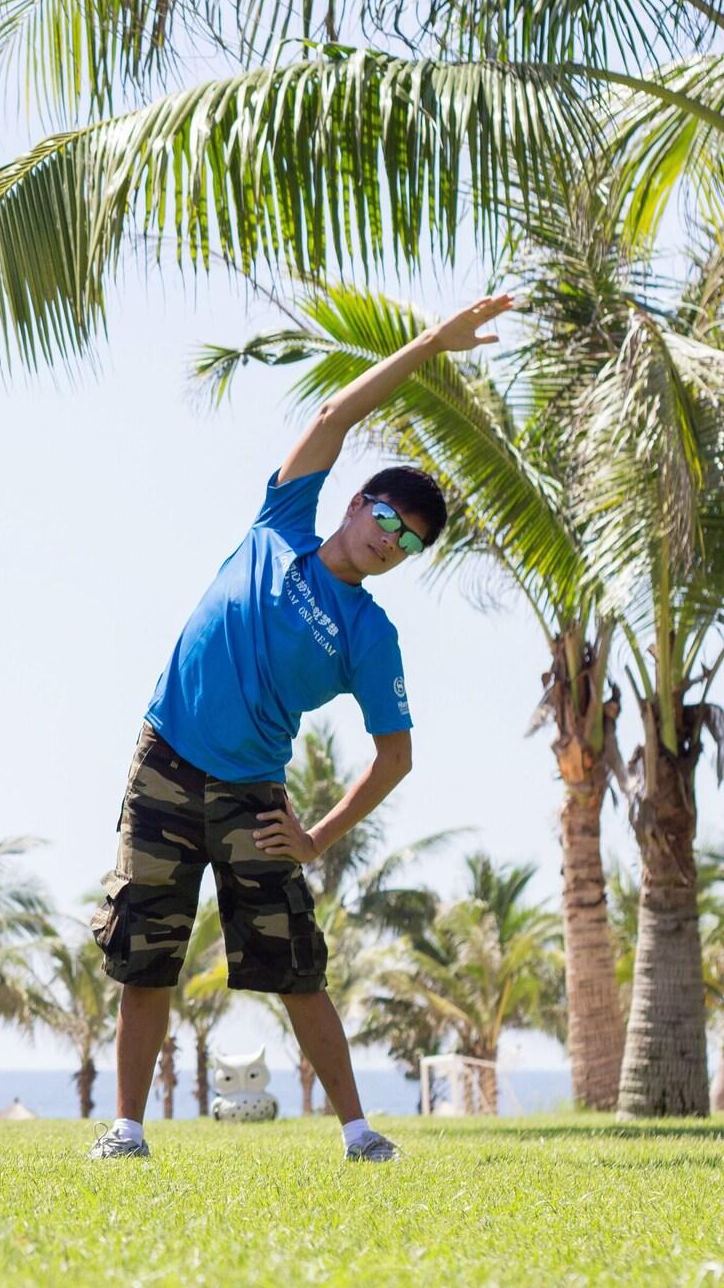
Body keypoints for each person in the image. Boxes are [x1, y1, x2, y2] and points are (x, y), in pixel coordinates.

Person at [88, 295, 514, 1163]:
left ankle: (359, 1132)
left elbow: (396, 755)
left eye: (410, 544)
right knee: (145, 953)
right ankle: (126, 1131)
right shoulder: (280, 523)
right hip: (164, 760)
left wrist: (316, 834)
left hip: (253, 797)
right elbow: (334, 413)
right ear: (356, 503)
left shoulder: (371, 636)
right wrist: (432, 343)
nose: (391, 543)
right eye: (387, 520)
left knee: (295, 966)